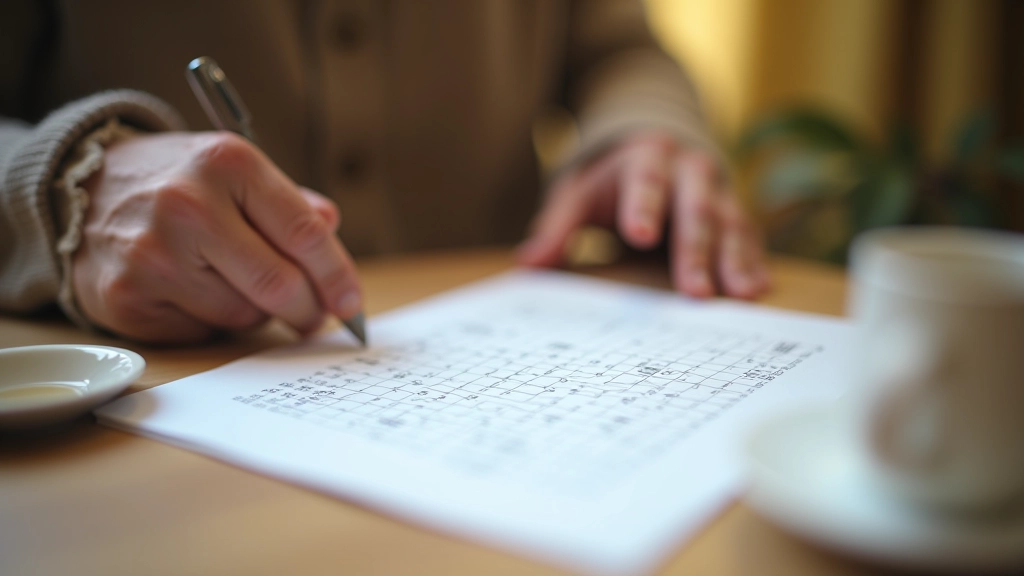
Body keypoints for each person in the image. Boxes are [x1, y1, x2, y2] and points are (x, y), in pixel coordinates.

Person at [0, 1, 768, 344]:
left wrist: (641, 136)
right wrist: (70, 186)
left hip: (500, 336)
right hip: (132, 406)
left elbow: (621, 48)